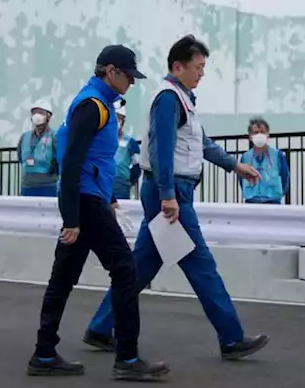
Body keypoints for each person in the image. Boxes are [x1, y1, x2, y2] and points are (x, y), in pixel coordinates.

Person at [85, 35, 270, 362]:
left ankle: (100, 326)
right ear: (178, 66)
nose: (202, 73)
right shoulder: (169, 98)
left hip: (167, 191)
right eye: (198, 67)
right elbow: (161, 150)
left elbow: (202, 144)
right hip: (169, 194)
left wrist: (235, 166)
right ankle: (231, 336)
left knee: (140, 266)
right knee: (202, 265)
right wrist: (169, 195)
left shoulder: (183, 98)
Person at [31, 44, 169, 380]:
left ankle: (44, 354)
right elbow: (73, 161)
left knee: (63, 277)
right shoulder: (92, 106)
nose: (132, 84)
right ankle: (128, 358)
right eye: (128, 76)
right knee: (125, 270)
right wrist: (72, 218)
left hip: (90, 200)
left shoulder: (100, 104)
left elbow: (91, 162)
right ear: (111, 71)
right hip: (84, 202)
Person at [239, 116, 290, 204]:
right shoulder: (245, 157)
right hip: (251, 202)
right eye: (255, 133)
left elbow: (285, 179)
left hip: (273, 202)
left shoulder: (278, 155)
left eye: (262, 132)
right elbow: (241, 179)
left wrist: (278, 195)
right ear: (250, 136)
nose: (259, 135)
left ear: (267, 135)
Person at [18, 99, 59, 197]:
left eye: (40, 112)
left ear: (48, 116)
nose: (37, 115)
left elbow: (59, 160)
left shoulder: (54, 136)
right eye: (34, 112)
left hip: (48, 186)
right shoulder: (25, 137)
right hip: (27, 186)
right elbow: (20, 156)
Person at [111, 100, 142, 201]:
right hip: (102, 183)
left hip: (121, 185)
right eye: (114, 118)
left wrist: (128, 181)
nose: (116, 121)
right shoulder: (100, 141)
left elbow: (137, 167)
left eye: (119, 119)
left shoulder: (130, 142)